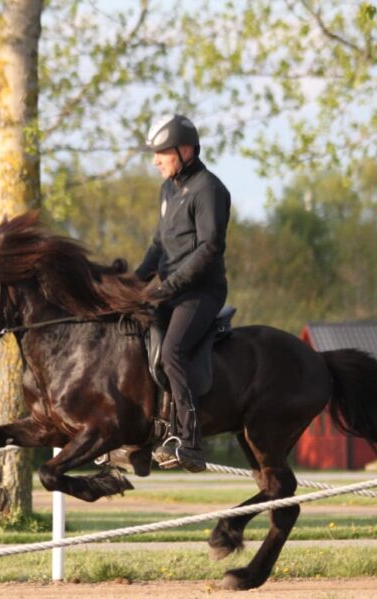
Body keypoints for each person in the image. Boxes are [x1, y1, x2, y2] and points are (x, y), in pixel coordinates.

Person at [134, 113, 231, 473]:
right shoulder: (168, 189)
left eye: (161, 152)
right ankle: (141, 434)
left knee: (173, 350)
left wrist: (167, 288)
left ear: (185, 149)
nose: (155, 160)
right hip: (170, 291)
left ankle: (190, 442)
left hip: (201, 293)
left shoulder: (209, 190)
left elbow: (209, 250)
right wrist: (134, 282)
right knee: (132, 332)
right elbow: (159, 244)